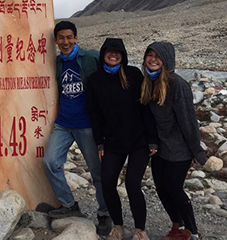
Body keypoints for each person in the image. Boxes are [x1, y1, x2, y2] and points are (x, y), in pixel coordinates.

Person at [41, 20, 112, 235]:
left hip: (87, 125)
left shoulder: (90, 57)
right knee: (50, 162)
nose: (65, 42)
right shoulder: (57, 63)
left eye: (69, 37)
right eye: (61, 38)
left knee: (98, 173)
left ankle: (104, 213)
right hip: (64, 124)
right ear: (55, 41)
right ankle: (69, 205)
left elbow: (109, 78)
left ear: (76, 38)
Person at [86, 38, 158, 240]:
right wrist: (99, 142)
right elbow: (95, 113)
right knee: (107, 182)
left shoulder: (133, 74)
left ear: (123, 55)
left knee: (132, 184)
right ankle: (118, 226)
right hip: (112, 141)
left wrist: (152, 139)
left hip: (139, 140)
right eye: (109, 51)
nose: (113, 55)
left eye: (117, 52)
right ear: (103, 54)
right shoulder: (94, 80)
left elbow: (146, 107)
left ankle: (140, 230)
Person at [141, 41, 206, 240]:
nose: (152, 59)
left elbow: (188, 121)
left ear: (166, 60)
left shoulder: (177, 84)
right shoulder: (148, 83)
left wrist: (197, 151)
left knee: (175, 188)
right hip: (160, 147)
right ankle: (176, 225)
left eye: (157, 56)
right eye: (149, 55)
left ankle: (192, 231)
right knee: (161, 188)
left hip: (179, 149)